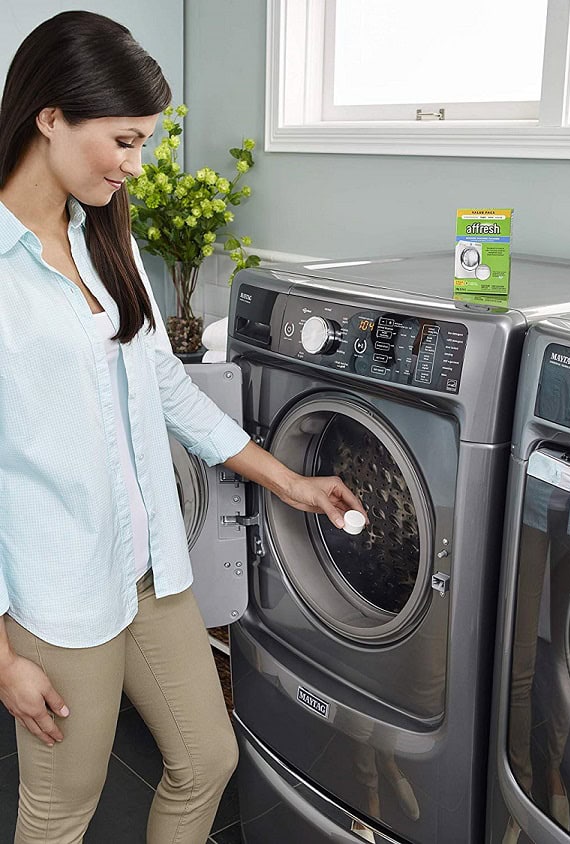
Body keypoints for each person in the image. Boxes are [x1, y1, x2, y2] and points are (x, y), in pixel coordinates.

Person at [0, 12, 367, 843]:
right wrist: (3, 660)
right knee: (60, 813)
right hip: (56, 598)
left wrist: (290, 480)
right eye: (123, 142)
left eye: (143, 145)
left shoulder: (102, 242)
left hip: (151, 570)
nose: (134, 167)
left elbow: (165, 384)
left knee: (207, 760)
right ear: (49, 116)